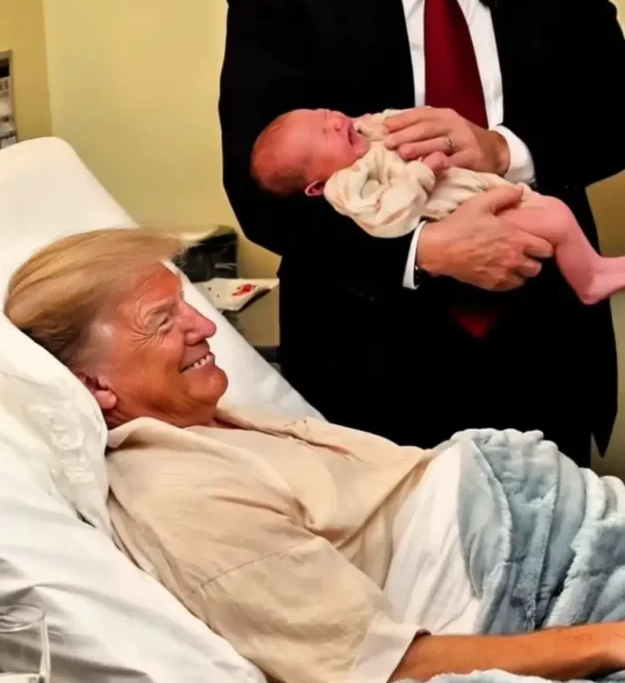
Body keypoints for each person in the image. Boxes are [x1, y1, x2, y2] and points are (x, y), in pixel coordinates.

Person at [219, 0, 625, 465]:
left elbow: (616, 111)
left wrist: (502, 149)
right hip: (368, 362)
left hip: (544, 350)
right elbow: (259, 193)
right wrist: (422, 251)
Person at [7, 227, 625, 683]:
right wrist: (608, 642)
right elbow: (390, 667)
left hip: (555, 522)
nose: (206, 327)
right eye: (163, 320)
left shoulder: (205, 423)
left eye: (187, 302)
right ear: (90, 386)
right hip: (531, 573)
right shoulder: (180, 500)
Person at [250, 106, 625, 306]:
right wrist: (422, 175)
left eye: (323, 112)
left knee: (555, 212)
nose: (334, 121)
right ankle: (590, 280)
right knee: (555, 218)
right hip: (468, 217)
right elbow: (388, 216)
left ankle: (593, 269)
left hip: (482, 189)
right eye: (322, 134)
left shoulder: (364, 138)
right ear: (316, 187)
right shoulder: (348, 184)